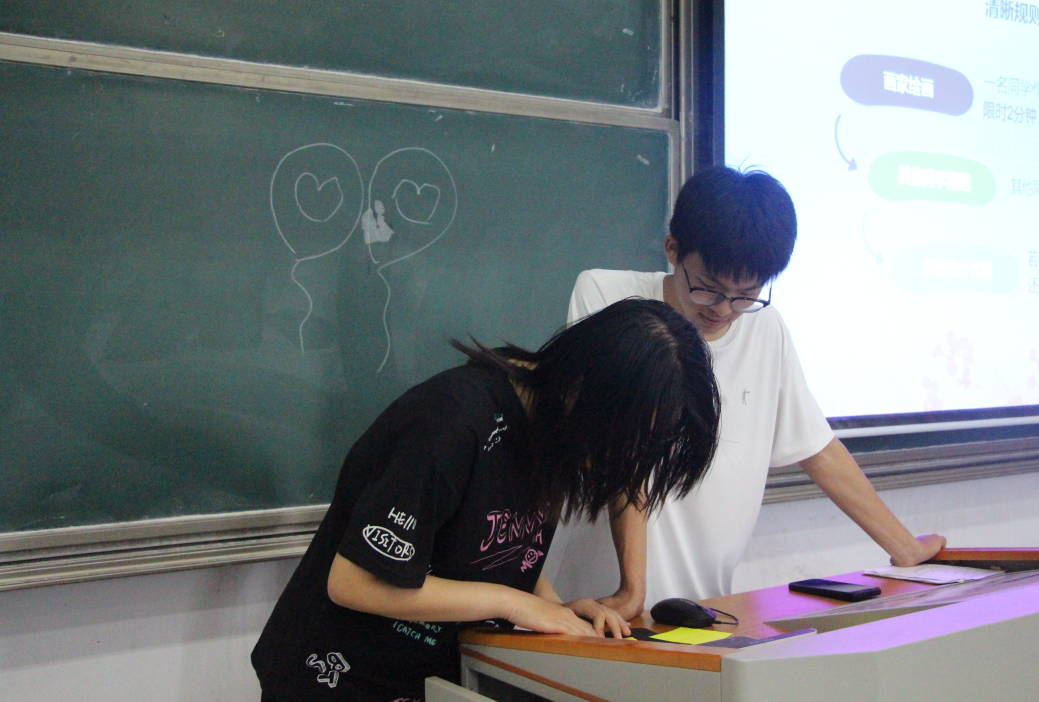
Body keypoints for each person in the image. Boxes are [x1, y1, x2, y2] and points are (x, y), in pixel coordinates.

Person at [251, 298, 720, 702]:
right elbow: (354, 582)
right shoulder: (450, 423)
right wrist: (513, 603)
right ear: (586, 393)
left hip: (433, 675)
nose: (620, 463)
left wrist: (556, 611)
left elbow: (502, 545)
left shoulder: (553, 424)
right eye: (625, 441)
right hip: (339, 676)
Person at [546, 166, 946, 619]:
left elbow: (817, 448)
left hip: (701, 607)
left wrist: (903, 547)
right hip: (597, 605)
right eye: (708, 290)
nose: (724, 310)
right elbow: (621, 450)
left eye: (745, 295)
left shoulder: (765, 329)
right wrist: (632, 588)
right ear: (673, 249)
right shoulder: (610, 299)